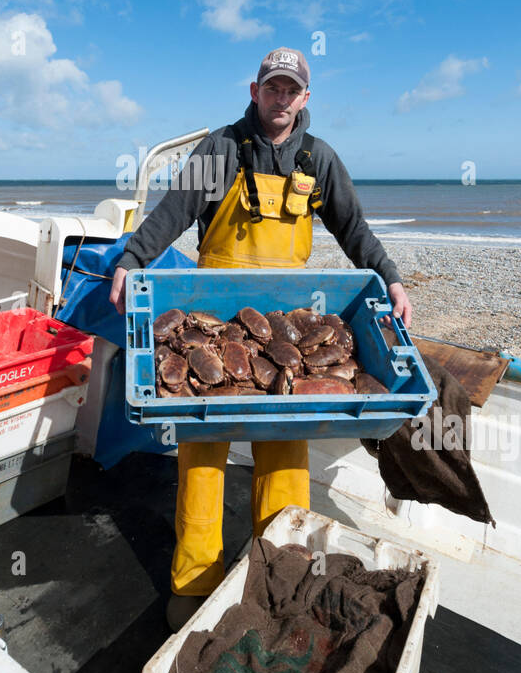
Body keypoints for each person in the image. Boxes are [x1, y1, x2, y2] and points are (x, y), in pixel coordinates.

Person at [109, 46, 411, 630]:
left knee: (286, 455)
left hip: (287, 323)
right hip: (211, 313)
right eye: (272, 87)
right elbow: (173, 209)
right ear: (255, 90)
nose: (280, 97)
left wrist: (390, 278)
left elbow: (353, 228)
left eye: (291, 89)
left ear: (305, 98)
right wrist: (132, 258)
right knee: (201, 456)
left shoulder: (318, 159)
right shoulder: (220, 148)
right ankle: (194, 586)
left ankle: (279, 577)